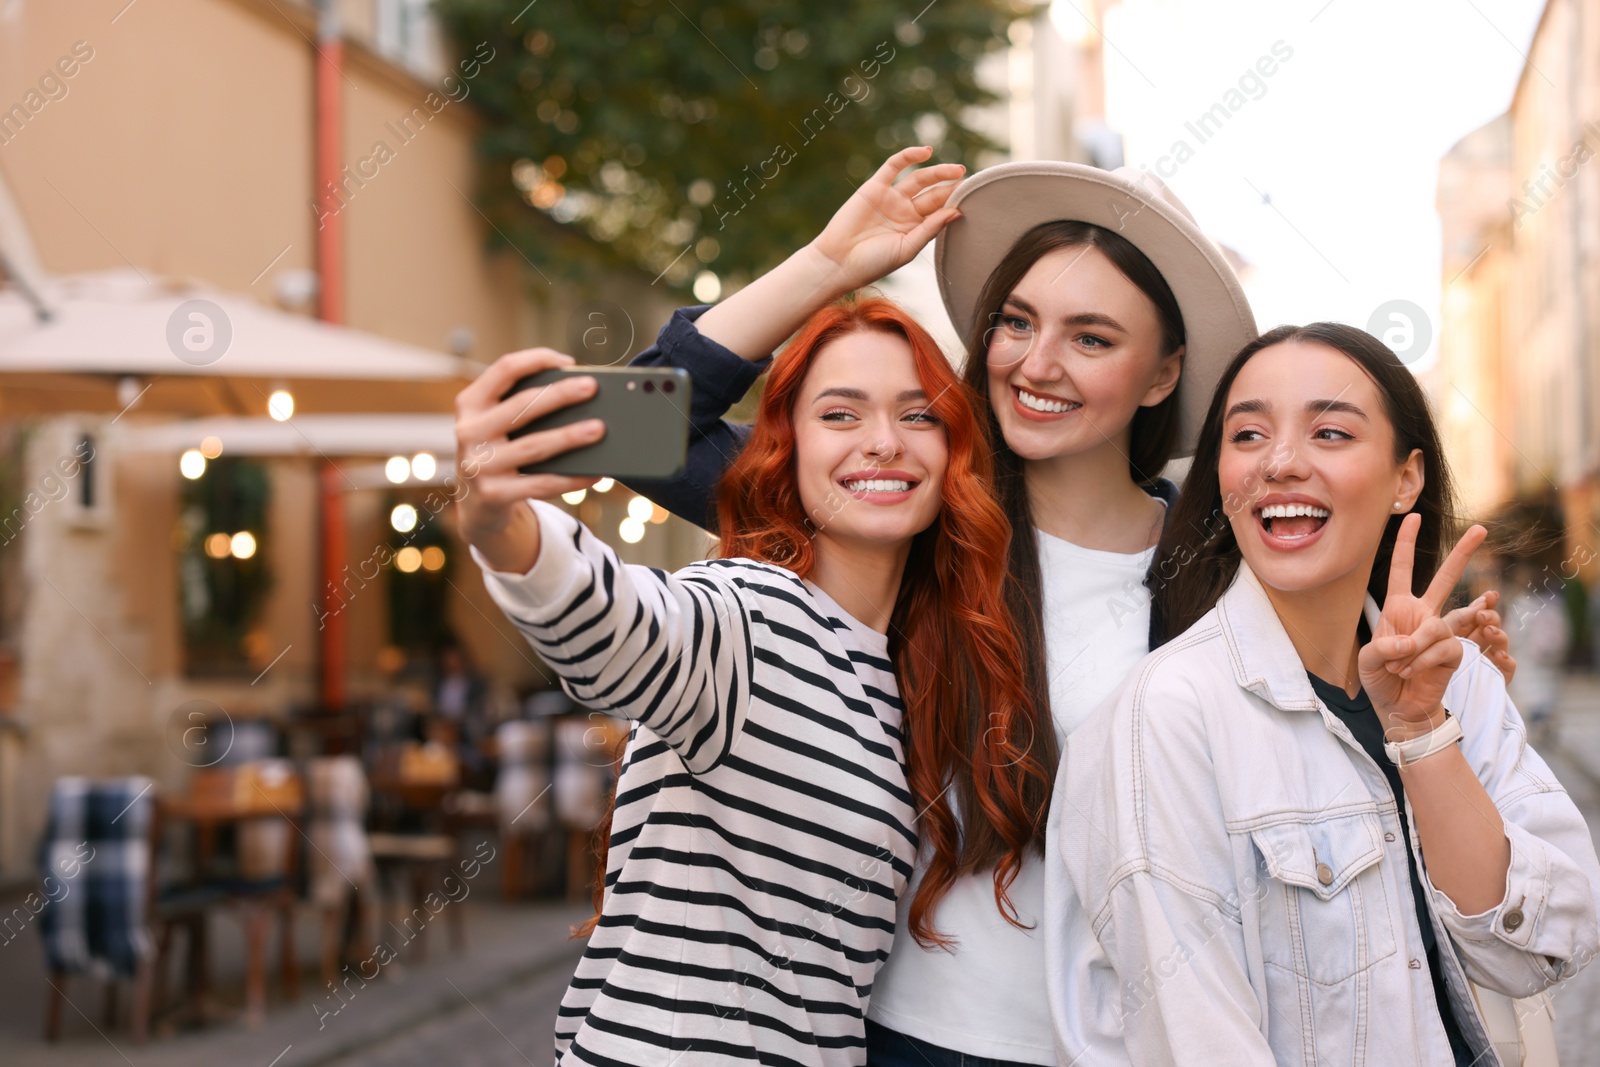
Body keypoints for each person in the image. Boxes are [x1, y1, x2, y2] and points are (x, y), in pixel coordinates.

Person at [624, 148, 1517, 1065]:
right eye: (1016, 322)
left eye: (1091, 338)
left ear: (1163, 374)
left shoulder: (1225, 570)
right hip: (920, 1039)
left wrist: (1443, 693)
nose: (1036, 363)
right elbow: (624, 429)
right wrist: (829, 266)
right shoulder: (902, 513)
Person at [455, 295, 1032, 1065]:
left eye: (919, 415)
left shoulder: (904, 671)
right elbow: (610, 622)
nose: (884, 443)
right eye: (841, 414)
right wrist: (500, 523)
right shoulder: (751, 615)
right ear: (784, 446)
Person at [1048, 323, 1600, 1065]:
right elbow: (1197, 1041)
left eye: (1331, 432)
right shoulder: (1167, 714)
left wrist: (1423, 732)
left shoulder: (1457, 680)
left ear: (1406, 477)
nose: (1280, 461)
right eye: (1248, 434)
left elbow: (1545, 950)